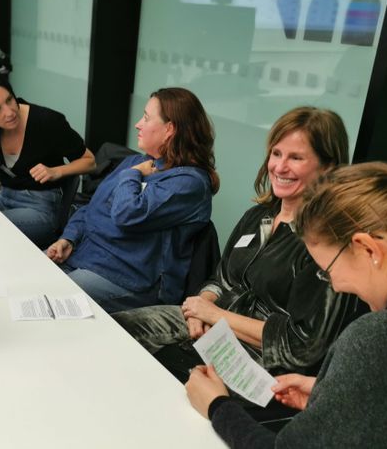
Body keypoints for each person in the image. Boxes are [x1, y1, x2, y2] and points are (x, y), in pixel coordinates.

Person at [113, 107, 365, 383]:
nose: (279, 167)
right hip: (210, 325)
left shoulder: (327, 244)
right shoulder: (258, 217)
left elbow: (303, 346)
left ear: (327, 167)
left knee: (147, 378)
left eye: (296, 158)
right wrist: (200, 306)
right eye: (276, 153)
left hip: (259, 362)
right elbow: (220, 279)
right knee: (111, 333)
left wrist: (216, 315)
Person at [186, 162, 387, 448]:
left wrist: (217, 406)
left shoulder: (383, 336)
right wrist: (328, 391)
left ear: (369, 250)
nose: (334, 285)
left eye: (328, 270)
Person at [47, 87, 220, 313]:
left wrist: (131, 175)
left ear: (169, 129)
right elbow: (92, 207)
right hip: (86, 256)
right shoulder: (137, 162)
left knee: (50, 300)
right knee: (28, 280)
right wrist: (69, 239)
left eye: (147, 118)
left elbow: (126, 214)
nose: (138, 124)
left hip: (129, 279)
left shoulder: (189, 183)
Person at [0, 71, 96, 247]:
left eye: (9, 100)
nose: (9, 113)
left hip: (42, 208)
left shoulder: (47, 121)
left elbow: (90, 161)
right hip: (5, 197)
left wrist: (56, 171)